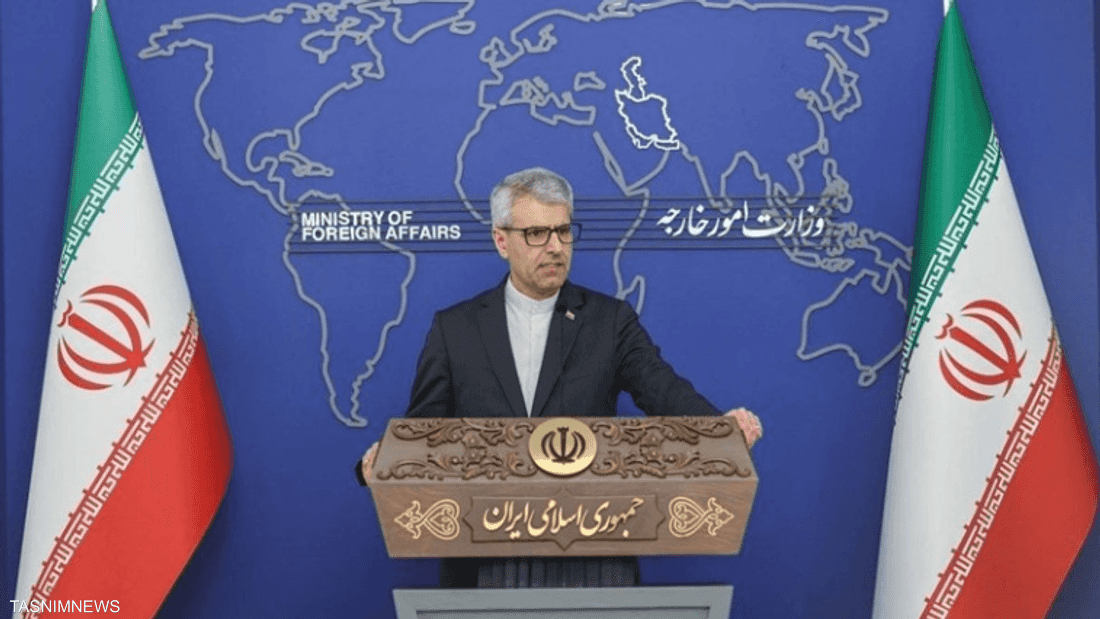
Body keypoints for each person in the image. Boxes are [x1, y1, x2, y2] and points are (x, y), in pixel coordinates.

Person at [358, 167, 761, 586]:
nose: (555, 247)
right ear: (501, 241)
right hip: (483, 565)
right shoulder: (454, 329)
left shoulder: (610, 321)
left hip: (594, 563)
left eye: (563, 231)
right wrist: (389, 460)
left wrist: (719, 431)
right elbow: (425, 430)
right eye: (536, 234)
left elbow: (662, 389)